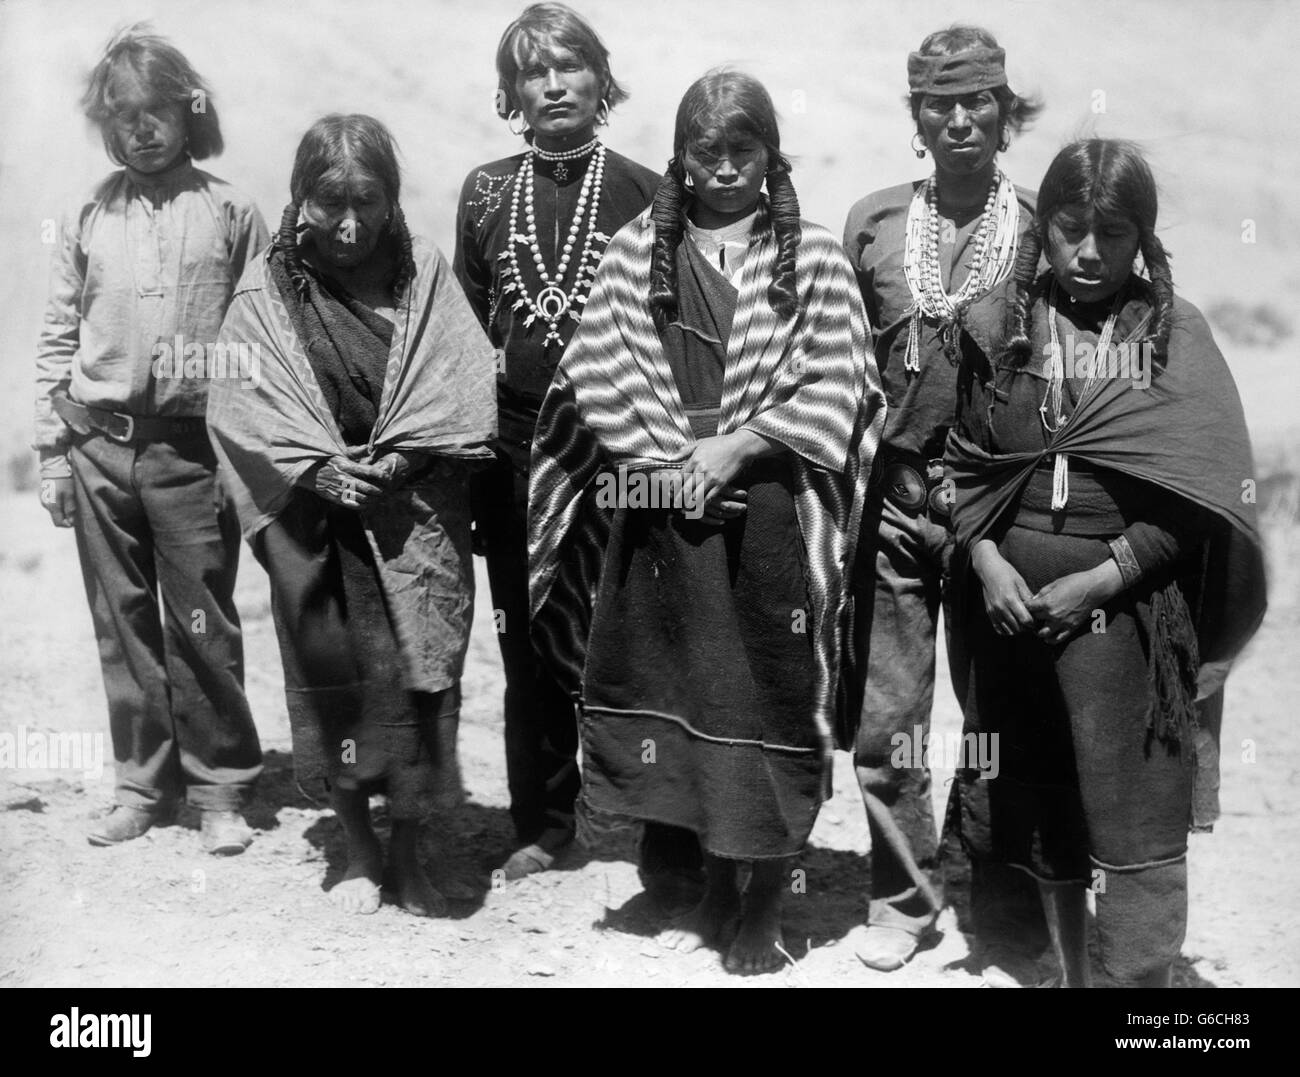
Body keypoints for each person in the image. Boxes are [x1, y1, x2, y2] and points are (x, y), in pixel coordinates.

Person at [530, 69, 884, 973]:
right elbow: (592, 377)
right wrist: (667, 469)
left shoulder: (814, 257)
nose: (725, 169)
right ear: (680, 158)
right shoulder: (628, 252)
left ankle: (763, 899)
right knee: (678, 691)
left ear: (772, 157)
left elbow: (842, 384)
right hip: (657, 510)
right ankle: (697, 886)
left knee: (764, 700)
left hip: (769, 507)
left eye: (744, 151)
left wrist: (740, 447)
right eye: (707, 152)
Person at [946, 139, 1267, 986]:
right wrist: (985, 561)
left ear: (1143, 238)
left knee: (1133, 802)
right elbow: (966, 461)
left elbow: (1202, 494)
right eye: (1069, 229)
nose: (1089, 254)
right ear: (1040, 227)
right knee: (1041, 788)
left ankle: (1144, 991)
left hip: (1123, 612)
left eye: (1114, 235)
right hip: (1013, 610)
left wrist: (1103, 575)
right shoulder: (995, 325)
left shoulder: (1172, 338)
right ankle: (1069, 967)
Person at [207, 115, 497, 916]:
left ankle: (408, 852)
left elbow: (464, 387)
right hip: (315, 525)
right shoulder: (270, 289)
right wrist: (317, 469)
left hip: (409, 520)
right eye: (328, 201)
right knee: (333, 685)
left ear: (390, 200)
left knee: (415, 686)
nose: (347, 223)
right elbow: (237, 405)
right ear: (300, 197)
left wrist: (403, 458)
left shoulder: (423, 275)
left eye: (366, 201)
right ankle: (356, 852)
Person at [454, 2, 698, 891]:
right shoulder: (483, 191)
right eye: (532, 72)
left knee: (632, 638)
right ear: (512, 92)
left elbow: (672, 331)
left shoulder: (644, 189)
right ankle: (546, 822)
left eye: (571, 67)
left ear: (602, 81)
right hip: (514, 455)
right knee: (528, 641)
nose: (553, 84)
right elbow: (473, 334)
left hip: (619, 455)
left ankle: (642, 823)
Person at [840, 25, 1048, 978]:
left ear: (1007, 115)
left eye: (978, 103)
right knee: (889, 721)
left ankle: (999, 906)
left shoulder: (1044, 231)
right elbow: (837, 366)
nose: (959, 119)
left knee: (997, 721)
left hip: (997, 517)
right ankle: (902, 898)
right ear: (915, 116)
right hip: (892, 502)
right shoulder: (874, 224)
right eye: (938, 103)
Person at [34, 26, 266, 854]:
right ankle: (142, 782)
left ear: (187, 112)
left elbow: (263, 334)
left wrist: (246, 452)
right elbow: (57, 337)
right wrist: (53, 454)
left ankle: (219, 789)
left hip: (192, 453)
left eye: (157, 110)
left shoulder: (233, 211)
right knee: (120, 624)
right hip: (98, 446)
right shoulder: (84, 215)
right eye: (122, 114)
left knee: (202, 622)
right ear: (105, 122)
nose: (140, 128)